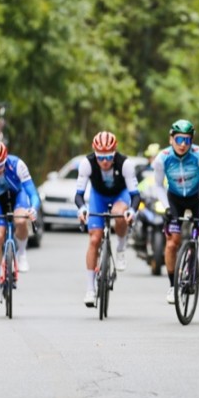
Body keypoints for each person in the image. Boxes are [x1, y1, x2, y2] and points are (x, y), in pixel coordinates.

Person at [75, 131, 140, 308]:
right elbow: (79, 195)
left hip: (120, 195)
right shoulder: (86, 163)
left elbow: (135, 195)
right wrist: (82, 209)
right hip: (99, 197)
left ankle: (120, 247)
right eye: (100, 157)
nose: (104, 161)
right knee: (94, 239)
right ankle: (90, 288)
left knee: (120, 213)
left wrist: (132, 211)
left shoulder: (125, 164)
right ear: (94, 153)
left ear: (115, 152)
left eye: (109, 156)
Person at [152, 119, 199, 304]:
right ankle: (172, 285)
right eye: (179, 140)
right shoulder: (162, 158)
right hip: (174, 199)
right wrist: (167, 208)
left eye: (187, 140)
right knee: (172, 243)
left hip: (196, 198)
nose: (183, 144)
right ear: (171, 139)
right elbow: (158, 186)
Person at [0, 139, 40, 303]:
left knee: (20, 220)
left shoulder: (18, 164)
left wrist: (33, 208)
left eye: (0, 165)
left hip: (18, 195)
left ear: (5, 159)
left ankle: (22, 253)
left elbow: (32, 193)